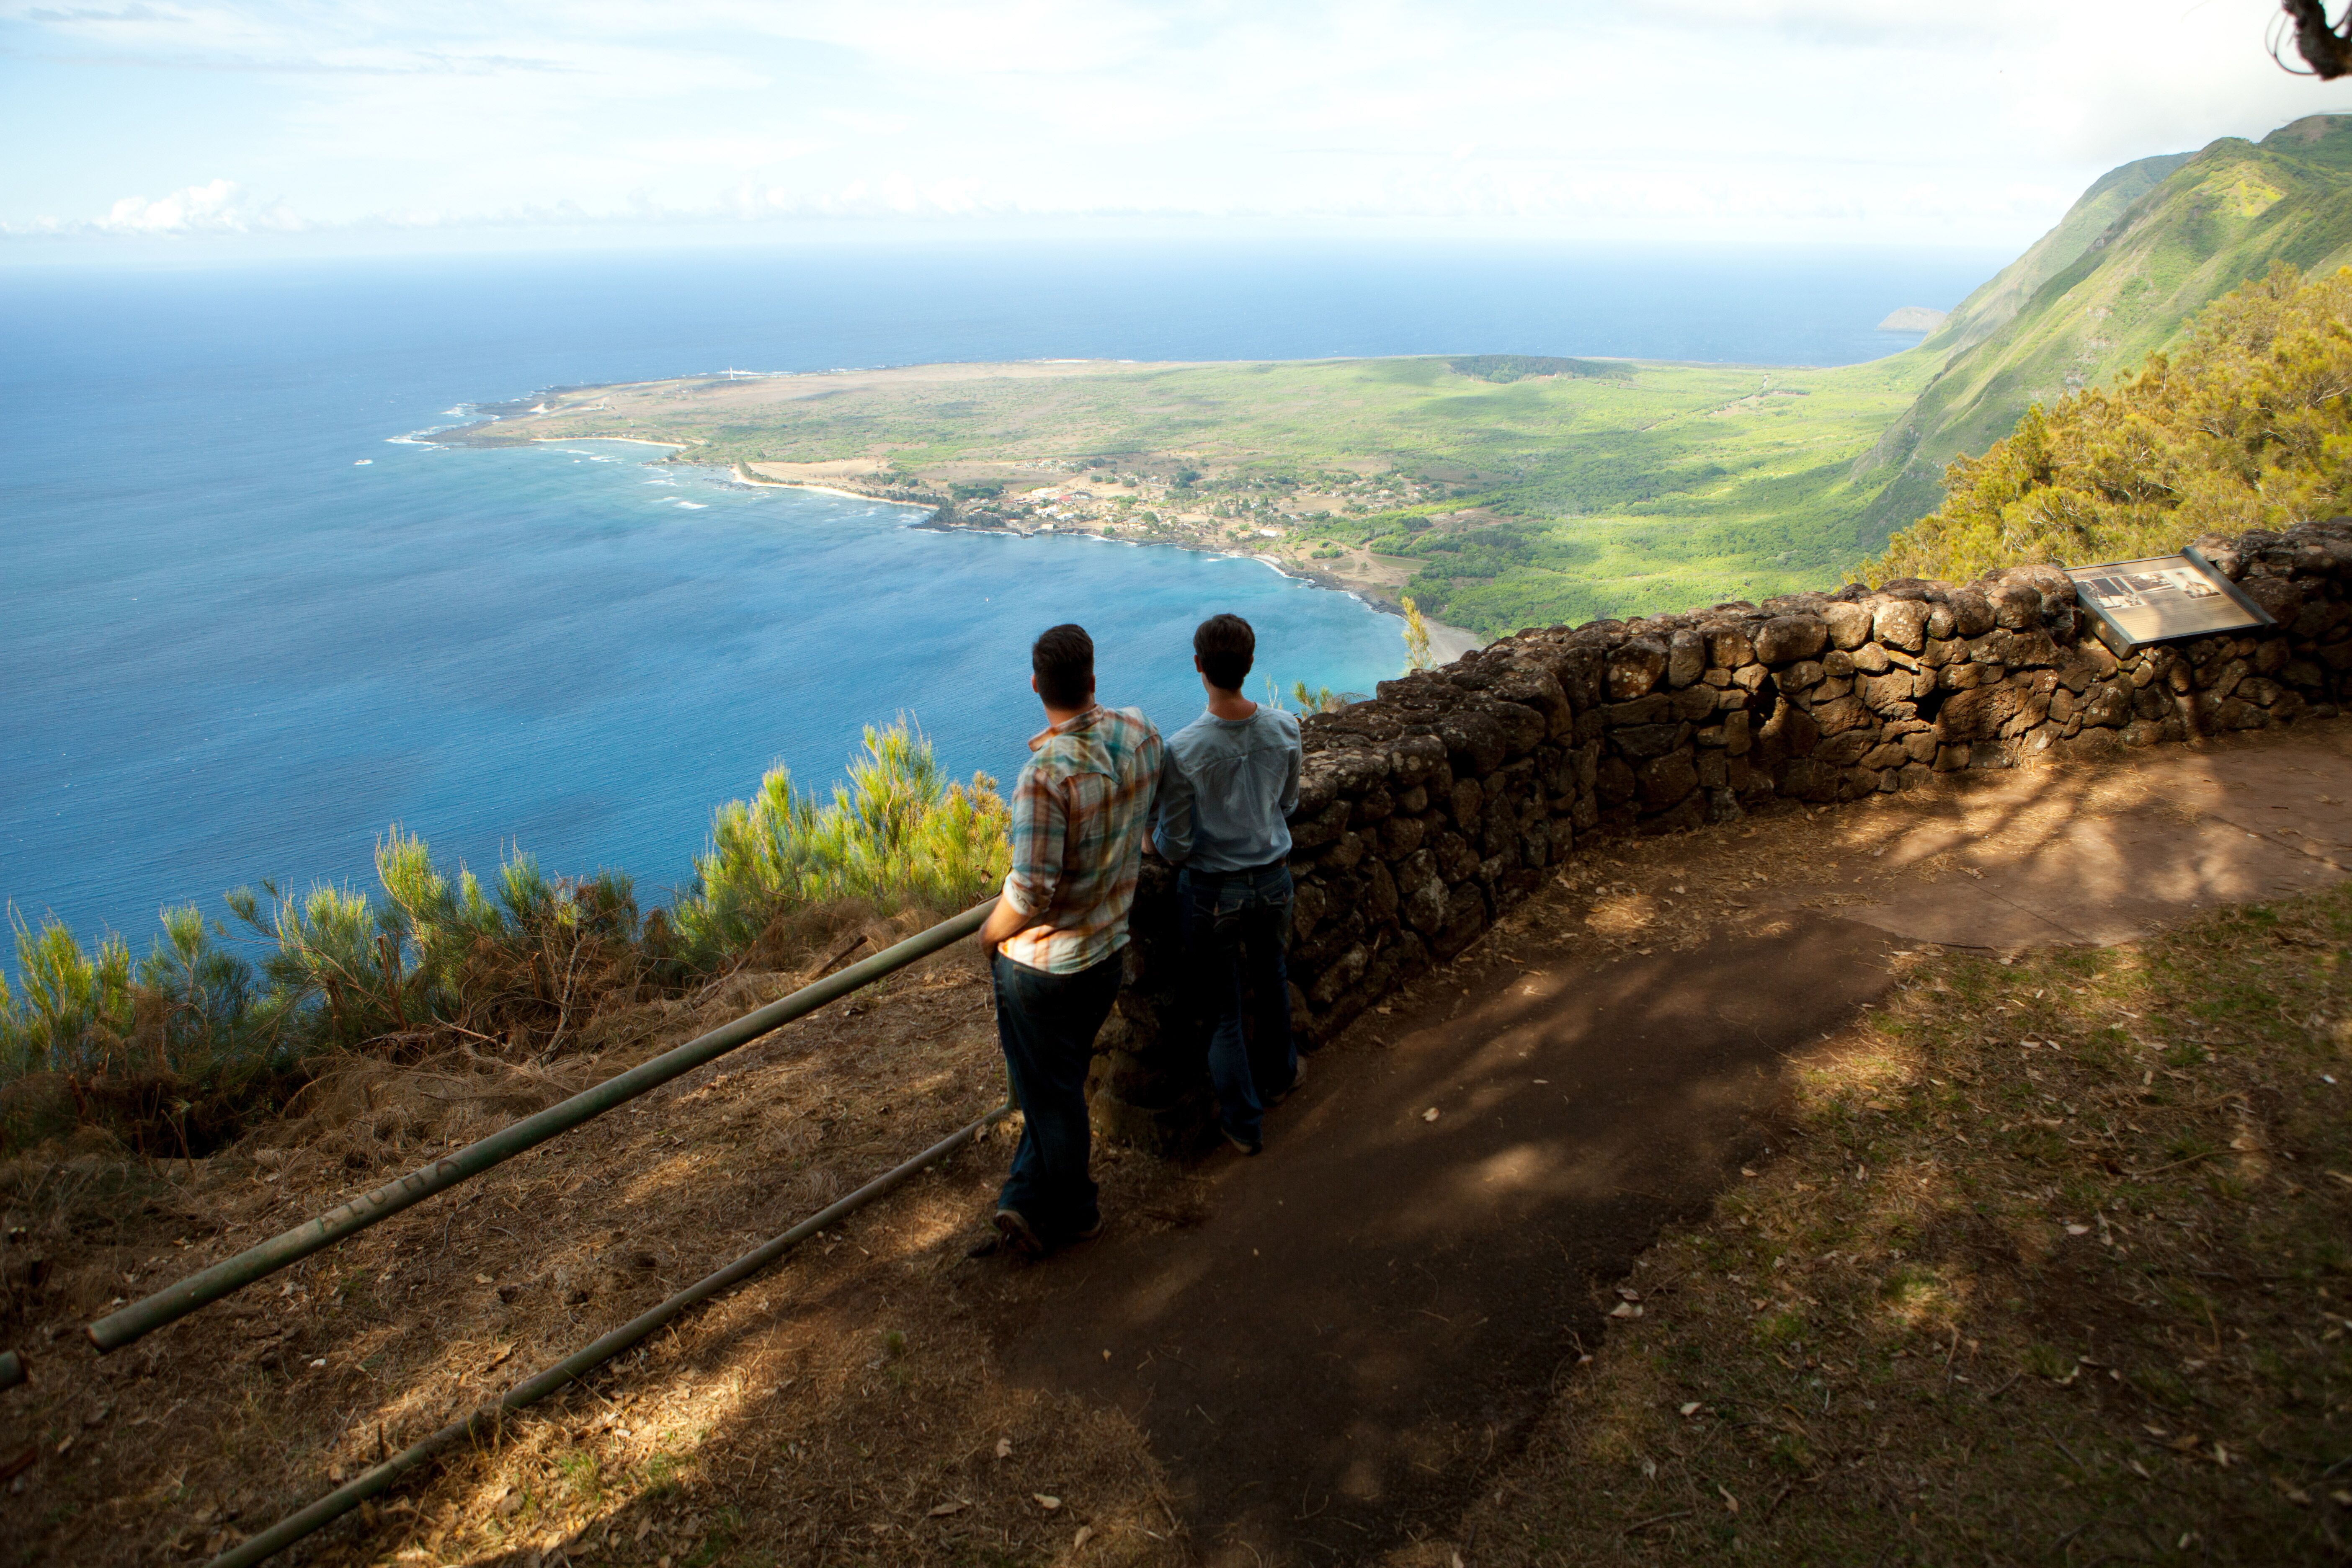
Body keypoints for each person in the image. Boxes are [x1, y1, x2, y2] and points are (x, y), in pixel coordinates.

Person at [974, 623, 1165, 1256]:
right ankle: (1022, 1201)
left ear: (1036, 686)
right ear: (1092, 677)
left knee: (1050, 1094)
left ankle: (1077, 1214)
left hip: (1044, 971)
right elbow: (1152, 805)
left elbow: (1029, 892)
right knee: (1057, 1082)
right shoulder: (1139, 732)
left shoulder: (1043, 776)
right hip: (1109, 951)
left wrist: (986, 935)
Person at [1151, 613, 1305, 1155]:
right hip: (1275, 879)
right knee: (1272, 975)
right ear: (1250, 664)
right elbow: (1288, 805)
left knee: (1224, 1013)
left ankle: (1243, 1124)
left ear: (1198, 667)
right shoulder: (1286, 728)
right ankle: (1282, 1077)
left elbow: (1175, 845)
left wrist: (1148, 844)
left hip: (1215, 893)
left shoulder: (1182, 751)